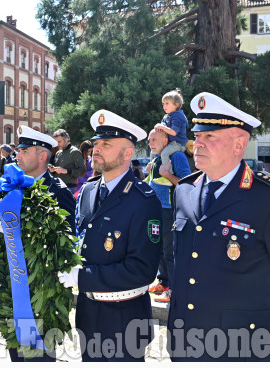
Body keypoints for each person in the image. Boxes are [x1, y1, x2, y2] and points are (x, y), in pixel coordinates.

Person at [168, 92, 270, 361]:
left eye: (209, 137)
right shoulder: (185, 190)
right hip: (185, 339)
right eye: (197, 136)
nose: (197, 144)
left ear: (239, 144)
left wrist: (252, 315)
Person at [58, 109, 162, 361]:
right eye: (96, 144)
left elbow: (142, 270)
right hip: (88, 314)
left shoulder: (144, 200)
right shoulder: (88, 191)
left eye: (106, 144)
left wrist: (82, 277)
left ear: (128, 153)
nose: (96, 149)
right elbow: (80, 240)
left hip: (124, 318)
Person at [7, 126, 77, 362]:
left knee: (38, 356)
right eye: (18, 150)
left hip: (41, 290)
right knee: (16, 352)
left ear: (42, 156)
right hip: (14, 283)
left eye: (24, 151)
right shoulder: (14, 187)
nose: (18, 156)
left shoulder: (58, 191)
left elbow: (68, 242)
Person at [145, 129, 191, 304]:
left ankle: (174, 289)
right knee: (159, 249)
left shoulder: (177, 156)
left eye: (154, 139)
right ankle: (163, 282)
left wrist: (167, 175)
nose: (150, 143)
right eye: (149, 140)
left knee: (170, 251)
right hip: (157, 210)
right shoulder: (157, 158)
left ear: (166, 140)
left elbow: (187, 183)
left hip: (170, 210)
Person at [153, 88, 189, 166]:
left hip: (178, 144)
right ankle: (152, 169)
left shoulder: (178, 116)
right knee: (153, 152)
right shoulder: (167, 116)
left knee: (164, 154)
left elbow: (173, 132)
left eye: (167, 103)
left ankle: (168, 172)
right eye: (163, 104)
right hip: (169, 143)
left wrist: (161, 127)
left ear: (176, 105)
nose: (164, 106)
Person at [50, 129, 87, 194]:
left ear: (66, 139)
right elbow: (57, 173)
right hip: (57, 187)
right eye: (56, 142)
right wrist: (52, 171)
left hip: (70, 189)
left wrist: (66, 171)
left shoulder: (75, 152)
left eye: (59, 142)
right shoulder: (58, 153)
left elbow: (82, 171)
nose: (57, 144)